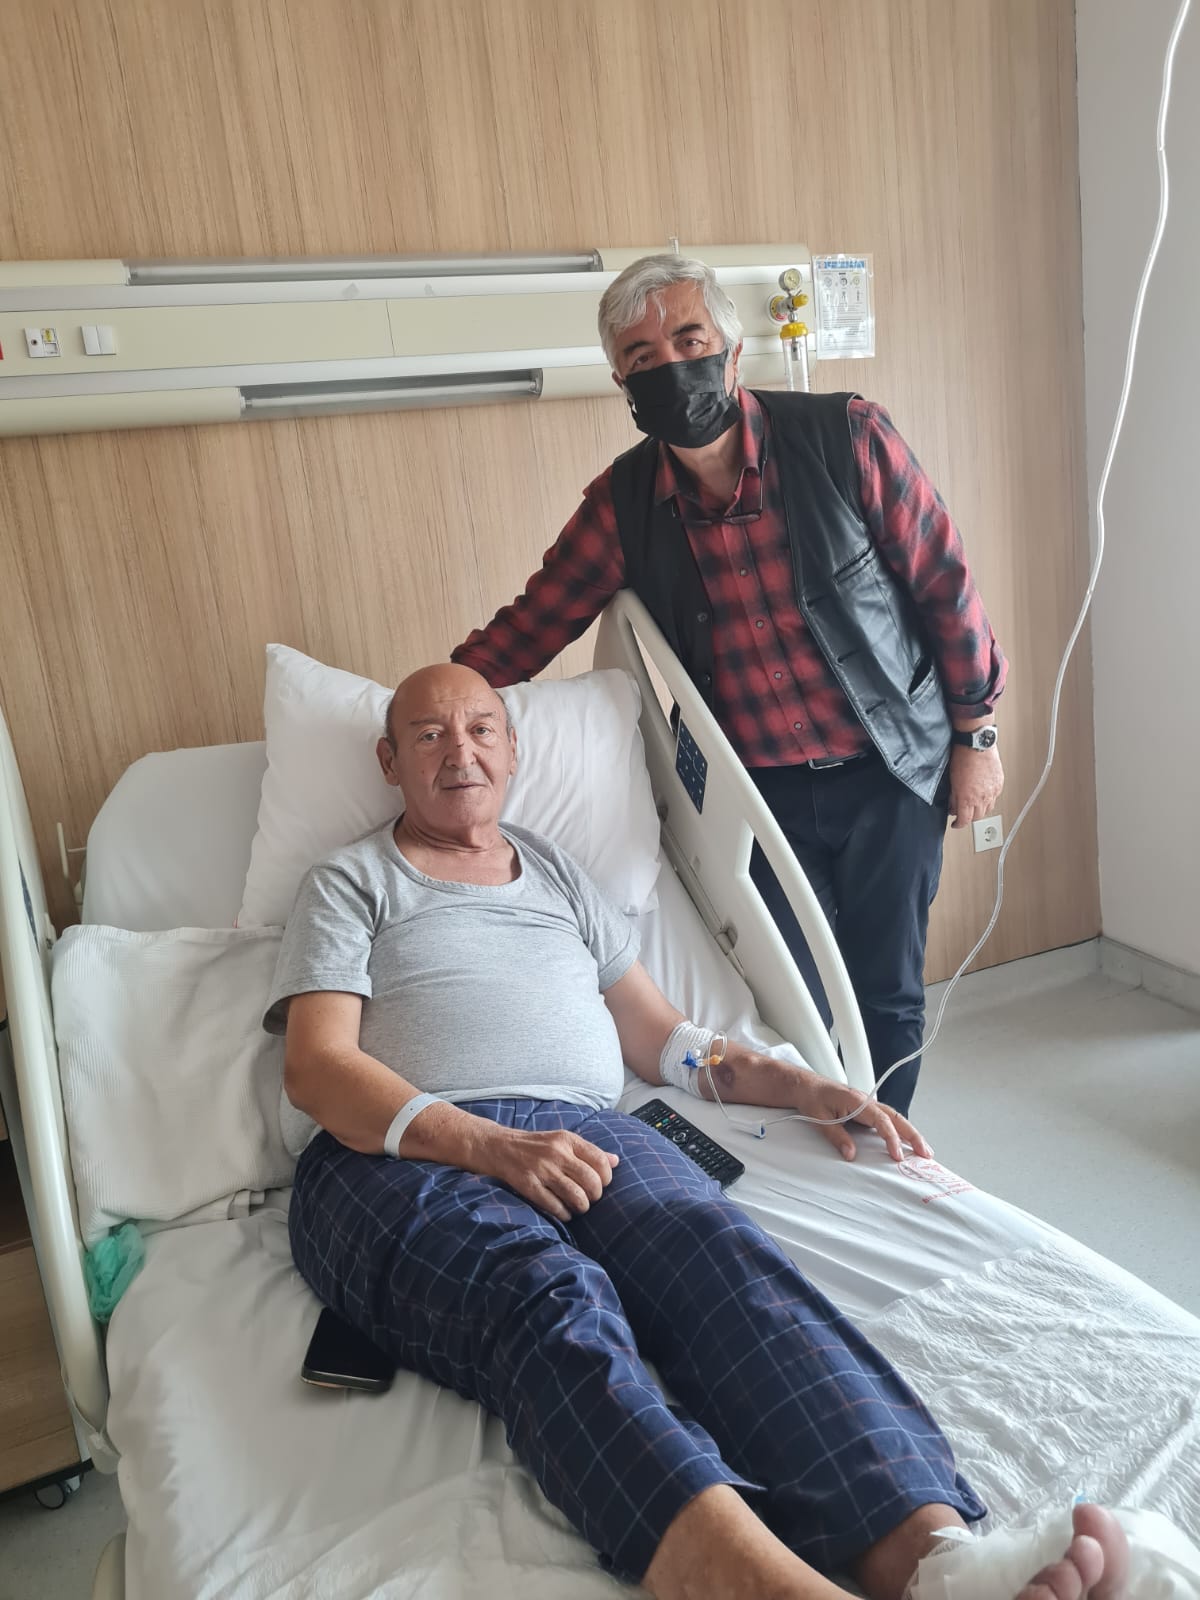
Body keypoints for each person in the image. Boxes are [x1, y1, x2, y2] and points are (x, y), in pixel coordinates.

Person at [266, 662, 988, 1600]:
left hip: (580, 1131)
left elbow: (660, 1038)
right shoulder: (350, 881)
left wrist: (798, 1084)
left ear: (513, 751)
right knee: (545, 1295)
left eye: (481, 729)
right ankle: (758, 1583)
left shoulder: (559, 873)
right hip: (395, 1155)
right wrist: (488, 1146)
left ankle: (940, 1561)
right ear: (389, 761)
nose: (460, 751)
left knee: (721, 1257)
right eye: (429, 734)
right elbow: (318, 1067)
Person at [452, 253, 1008, 1116]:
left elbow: (945, 587)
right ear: (622, 385)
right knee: (793, 999)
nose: (670, 366)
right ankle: (831, 1128)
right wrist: (433, 707)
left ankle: (887, 1156)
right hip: (757, 797)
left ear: (733, 351)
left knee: (886, 988)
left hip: (890, 768)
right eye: (641, 357)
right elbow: (532, 624)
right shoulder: (624, 504)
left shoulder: (847, 439)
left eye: (689, 340)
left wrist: (977, 737)